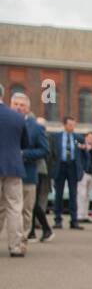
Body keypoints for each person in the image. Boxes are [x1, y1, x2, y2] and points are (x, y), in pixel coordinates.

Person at [11, 93, 49, 244]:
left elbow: (44, 150)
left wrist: (24, 154)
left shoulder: (36, 127)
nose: (19, 108)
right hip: (7, 173)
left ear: (28, 109)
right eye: (16, 104)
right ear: (11, 105)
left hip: (28, 174)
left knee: (26, 210)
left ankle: (22, 239)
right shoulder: (4, 121)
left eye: (22, 105)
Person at [0, 96, 29, 257]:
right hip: (13, 166)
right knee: (14, 207)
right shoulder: (17, 117)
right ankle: (15, 246)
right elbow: (25, 143)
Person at [50, 116, 86, 229]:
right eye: (70, 124)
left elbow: (84, 154)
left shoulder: (78, 138)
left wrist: (83, 167)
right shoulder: (56, 137)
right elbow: (51, 153)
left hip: (73, 167)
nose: (72, 127)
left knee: (73, 194)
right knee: (58, 194)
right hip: (60, 166)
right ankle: (57, 220)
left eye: (74, 125)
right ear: (64, 125)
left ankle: (74, 220)